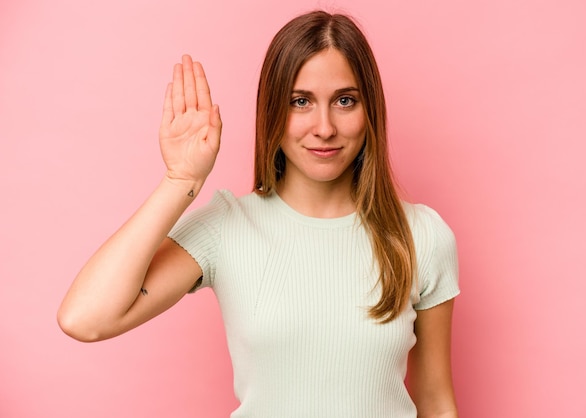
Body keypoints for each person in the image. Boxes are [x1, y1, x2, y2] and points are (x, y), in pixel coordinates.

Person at [58, 10, 460, 418]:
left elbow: (435, 402)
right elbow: (85, 319)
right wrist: (181, 179)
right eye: (300, 102)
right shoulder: (227, 227)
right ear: (272, 111)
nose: (324, 127)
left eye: (344, 100)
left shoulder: (422, 236)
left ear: (369, 108)